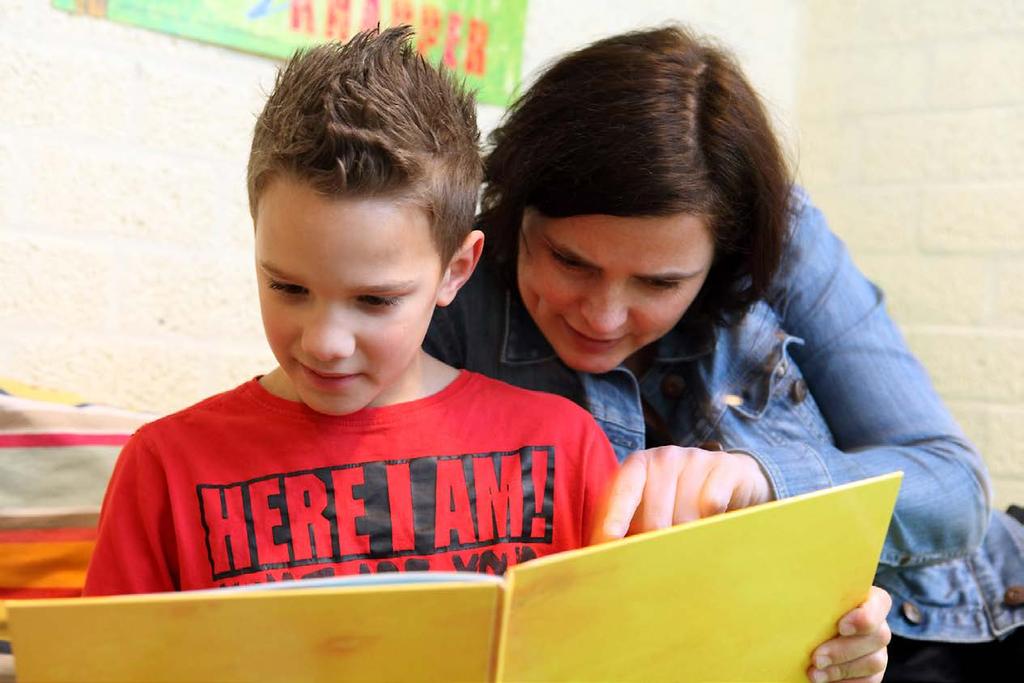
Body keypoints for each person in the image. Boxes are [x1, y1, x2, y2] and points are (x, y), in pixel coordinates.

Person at [424, 25, 1024, 683]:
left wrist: (762, 480)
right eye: (570, 261)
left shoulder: (783, 239)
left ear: (720, 260)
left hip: (973, 608)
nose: (602, 315)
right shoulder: (446, 287)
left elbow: (953, 487)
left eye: (659, 282)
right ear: (513, 213)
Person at [83, 27, 617, 595]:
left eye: (375, 300)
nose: (325, 343)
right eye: (288, 288)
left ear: (456, 271)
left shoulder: (562, 448)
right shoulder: (166, 467)